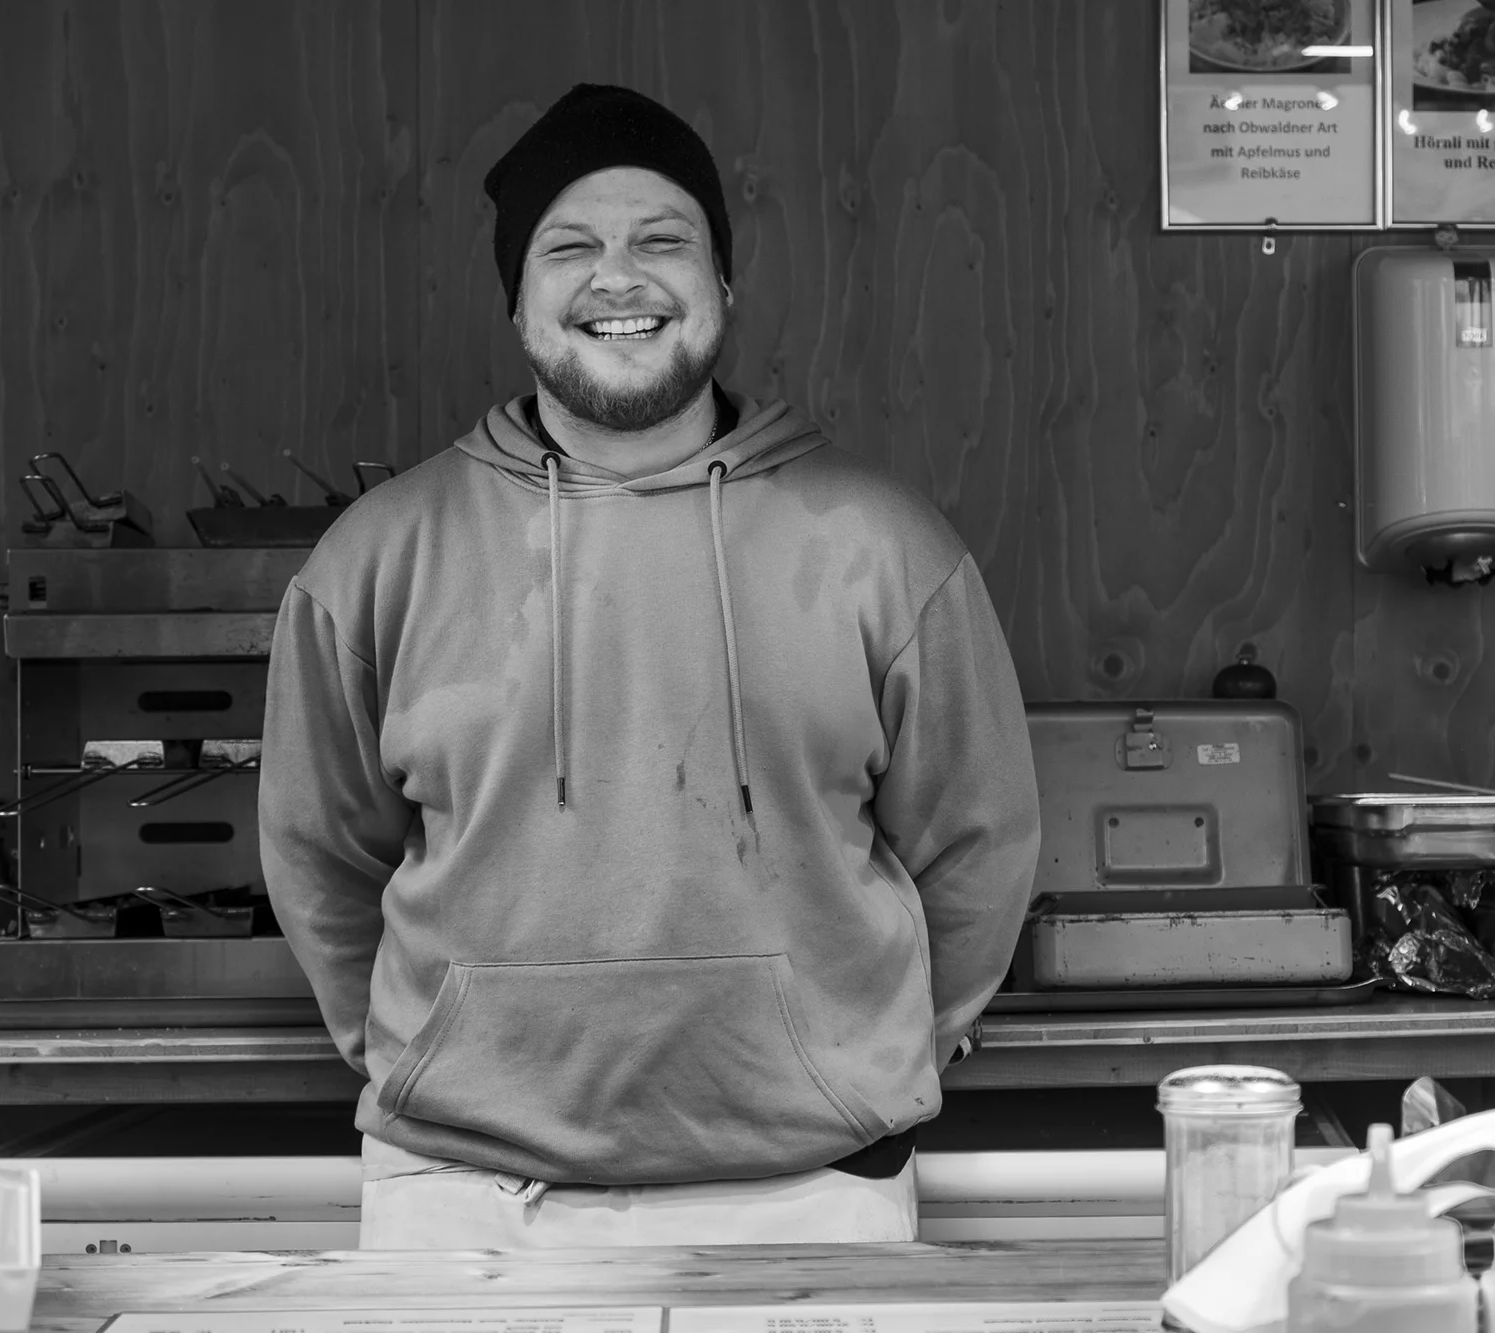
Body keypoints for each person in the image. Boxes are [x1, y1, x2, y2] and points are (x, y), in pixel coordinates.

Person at [258, 82, 1041, 1249]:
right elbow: (319, 851)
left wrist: (852, 1060)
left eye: (661, 240)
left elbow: (978, 843)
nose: (616, 278)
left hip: (813, 1185)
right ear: (516, 300)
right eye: (568, 247)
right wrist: (427, 1055)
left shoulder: (883, 544)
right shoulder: (378, 556)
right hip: (463, 1192)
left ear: (721, 282)